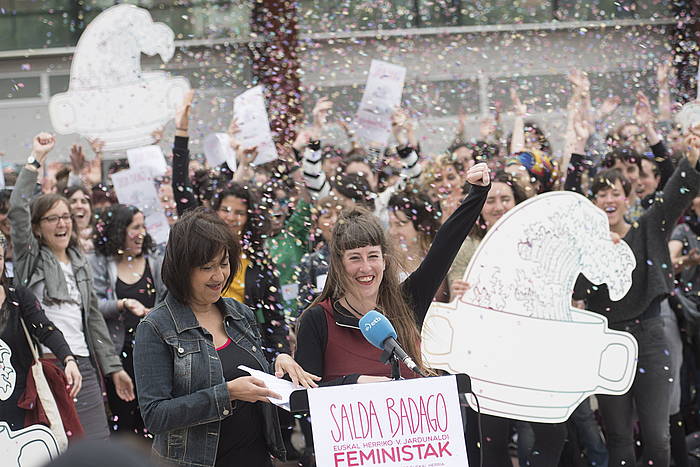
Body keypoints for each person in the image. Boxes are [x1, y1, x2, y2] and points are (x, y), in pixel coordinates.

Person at [133, 207, 319, 467]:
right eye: (207, 267)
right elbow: (155, 415)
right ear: (182, 269)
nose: (219, 276)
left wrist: (279, 366)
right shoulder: (155, 327)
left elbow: (254, 380)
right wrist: (226, 393)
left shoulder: (240, 313)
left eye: (223, 263)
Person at [294, 162, 490, 385]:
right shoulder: (317, 319)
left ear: (385, 261)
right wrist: (354, 382)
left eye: (373, 256)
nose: (366, 268)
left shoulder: (407, 301)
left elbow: (444, 247)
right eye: (355, 258)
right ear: (338, 264)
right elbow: (305, 396)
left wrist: (478, 192)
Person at [574, 129, 700, 466]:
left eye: (614, 192)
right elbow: (576, 291)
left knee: (658, 437)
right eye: (600, 195)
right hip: (608, 341)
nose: (608, 199)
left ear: (628, 198)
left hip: (650, 337)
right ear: (593, 203)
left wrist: (690, 159)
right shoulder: (585, 247)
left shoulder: (649, 227)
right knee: (618, 438)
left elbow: (677, 195)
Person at [9, 133, 133, 441]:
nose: (62, 224)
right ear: (37, 227)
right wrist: (36, 158)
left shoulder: (80, 263)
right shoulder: (31, 259)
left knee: (97, 446)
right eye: (52, 219)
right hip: (44, 364)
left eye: (66, 217)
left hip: (83, 365)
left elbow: (92, 318)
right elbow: (16, 207)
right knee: (58, 448)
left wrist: (113, 368)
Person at [90, 204, 166, 437]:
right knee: (125, 420)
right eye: (135, 227)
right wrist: (121, 304)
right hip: (119, 355)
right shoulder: (102, 262)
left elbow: (168, 300)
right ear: (119, 231)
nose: (141, 232)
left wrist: (157, 312)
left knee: (153, 418)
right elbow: (93, 306)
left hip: (153, 352)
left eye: (143, 226)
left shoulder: (155, 261)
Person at [0, 230, 82, 432]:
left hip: (21, 403)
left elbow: (46, 329)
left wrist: (68, 359)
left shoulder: (18, 297)